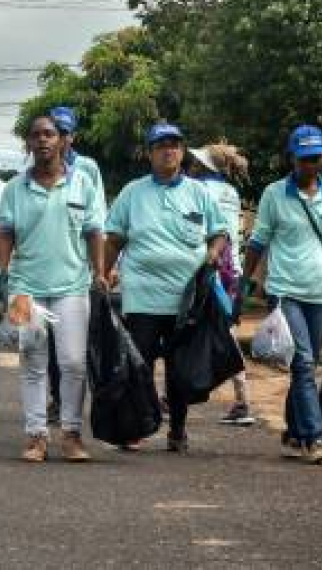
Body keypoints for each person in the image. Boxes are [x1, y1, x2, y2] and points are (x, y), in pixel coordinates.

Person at [104, 121, 228, 454]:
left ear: (183, 151)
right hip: (142, 296)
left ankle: (177, 430)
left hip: (186, 301)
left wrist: (214, 253)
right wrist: (101, 274)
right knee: (139, 364)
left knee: (179, 369)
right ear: (149, 154)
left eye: (174, 144)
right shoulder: (133, 192)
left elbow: (219, 231)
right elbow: (114, 239)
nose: (169, 150)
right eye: (161, 146)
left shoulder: (199, 192)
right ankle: (135, 428)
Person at [0, 113, 108, 463]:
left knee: (73, 363)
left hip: (73, 287)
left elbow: (94, 232)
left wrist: (100, 271)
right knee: (33, 363)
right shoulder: (14, 188)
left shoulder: (82, 183)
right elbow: (3, 231)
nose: (42, 140)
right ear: (29, 144)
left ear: (63, 141)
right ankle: (36, 437)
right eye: (36, 135)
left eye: (49, 134)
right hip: (25, 289)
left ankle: (72, 434)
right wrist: (0, 275)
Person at [243, 125, 322, 465]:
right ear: (292, 158)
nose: (312, 164)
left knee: (302, 366)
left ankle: (294, 432)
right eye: (305, 158)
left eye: (317, 158)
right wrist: (243, 287)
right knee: (305, 362)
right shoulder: (274, 194)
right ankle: (314, 434)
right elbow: (258, 242)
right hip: (286, 290)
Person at [46, 106, 107, 424]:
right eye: (55, 130)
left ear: (72, 135)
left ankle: (75, 406)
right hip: (44, 269)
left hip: (79, 267)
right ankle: (57, 398)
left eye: (65, 132)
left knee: (75, 342)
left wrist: (101, 267)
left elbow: (97, 218)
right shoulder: (36, 165)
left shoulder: (87, 168)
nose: (61, 138)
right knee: (48, 340)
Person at [187, 144, 256, 426]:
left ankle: (240, 400)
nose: (191, 165)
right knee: (222, 332)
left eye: (196, 162)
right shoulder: (231, 192)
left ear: (205, 167)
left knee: (201, 332)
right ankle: (241, 400)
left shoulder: (201, 190)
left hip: (210, 269)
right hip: (232, 272)